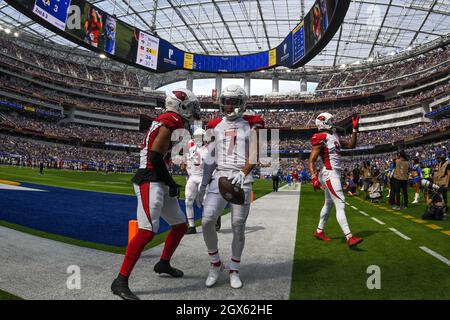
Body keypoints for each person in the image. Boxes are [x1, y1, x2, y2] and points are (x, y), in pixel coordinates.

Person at [111, 89, 200, 300]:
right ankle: (120, 280)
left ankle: (164, 263)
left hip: (158, 175)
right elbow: (155, 156)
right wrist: (171, 182)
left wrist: (168, 180)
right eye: (191, 105)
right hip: (150, 177)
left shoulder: (172, 119)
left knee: (180, 226)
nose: (194, 110)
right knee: (147, 230)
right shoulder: (171, 120)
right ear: (180, 105)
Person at [196, 84, 264, 289]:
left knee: (237, 225)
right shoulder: (214, 124)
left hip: (242, 179)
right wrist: (203, 184)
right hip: (219, 177)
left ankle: (234, 269)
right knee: (207, 221)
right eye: (225, 101)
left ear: (242, 103)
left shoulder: (252, 123)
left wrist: (243, 173)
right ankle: (215, 264)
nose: (228, 105)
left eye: (233, 101)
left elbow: (254, 154)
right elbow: (210, 158)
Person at [308, 112, 363, 248]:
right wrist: (314, 177)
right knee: (340, 203)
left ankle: (319, 231)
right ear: (323, 122)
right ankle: (349, 237)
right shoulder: (321, 138)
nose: (333, 122)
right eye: (330, 120)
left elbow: (351, 145)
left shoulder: (334, 136)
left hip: (334, 173)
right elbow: (311, 160)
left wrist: (355, 129)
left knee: (329, 204)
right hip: (330, 174)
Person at [183, 128, 221, 234]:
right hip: (193, 177)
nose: (197, 139)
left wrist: (210, 178)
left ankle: (214, 220)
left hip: (203, 178)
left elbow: (213, 165)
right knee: (188, 201)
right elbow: (187, 162)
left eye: (200, 137)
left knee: (205, 202)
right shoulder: (191, 148)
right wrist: (188, 173)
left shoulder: (209, 149)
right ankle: (191, 226)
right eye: (196, 137)